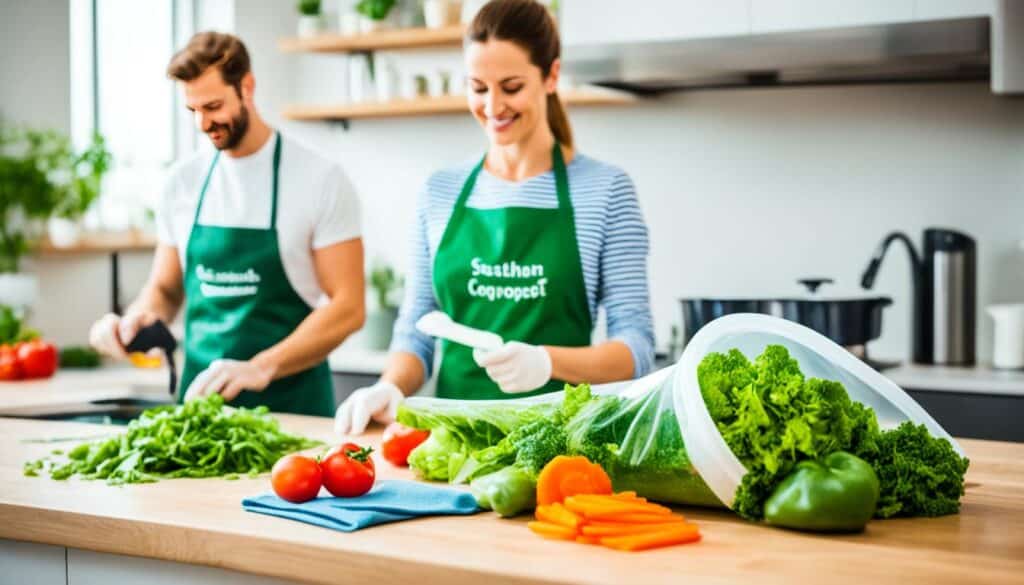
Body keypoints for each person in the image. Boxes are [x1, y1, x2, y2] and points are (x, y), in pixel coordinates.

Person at [334, 0, 654, 434]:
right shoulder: (440, 191)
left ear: (551, 76)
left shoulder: (605, 190)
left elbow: (636, 348)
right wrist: (390, 386)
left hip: (559, 444)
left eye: (511, 86)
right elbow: (418, 328)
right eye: (478, 88)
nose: (493, 106)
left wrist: (547, 362)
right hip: (452, 442)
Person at [89, 32, 365, 416]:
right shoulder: (181, 183)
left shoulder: (319, 179)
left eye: (213, 106)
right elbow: (165, 289)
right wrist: (136, 321)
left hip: (294, 411)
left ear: (247, 87)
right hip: (200, 412)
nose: (203, 123)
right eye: (193, 110)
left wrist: (260, 367)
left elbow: (349, 307)